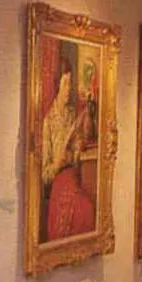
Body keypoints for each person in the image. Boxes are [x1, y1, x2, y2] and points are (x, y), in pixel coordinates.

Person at [41, 58, 95, 241]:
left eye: (70, 84)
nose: (68, 89)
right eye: (65, 84)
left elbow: (78, 151)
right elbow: (44, 175)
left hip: (75, 176)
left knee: (90, 206)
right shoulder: (48, 122)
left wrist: (77, 149)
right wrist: (57, 162)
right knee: (84, 209)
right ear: (57, 86)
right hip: (59, 183)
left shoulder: (73, 114)